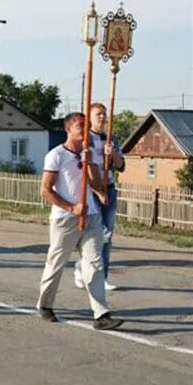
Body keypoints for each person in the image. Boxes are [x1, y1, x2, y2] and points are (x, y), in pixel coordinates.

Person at [36, 112, 123, 331]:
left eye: (86, 126)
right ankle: (45, 304)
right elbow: (45, 190)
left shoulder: (90, 153)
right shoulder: (55, 155)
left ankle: (101, 314)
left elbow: (97, 183)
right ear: (68, 129)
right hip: (65, 219)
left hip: (91, 215)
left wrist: (89, 163)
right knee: (56, 263)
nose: (85, 130)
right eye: (80, 126)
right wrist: (71, 207)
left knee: (94, 263)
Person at [75, 102, 125, 292]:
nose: (102, 117)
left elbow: (121, 166)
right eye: (98, 114)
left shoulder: (111, 138)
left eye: (104, 114)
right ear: (90, 117)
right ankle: (83, 268)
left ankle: (101, 277)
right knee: (92, 233)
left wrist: (112, 156)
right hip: (90, 190)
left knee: (107, 234)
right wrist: (97, 192)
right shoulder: (85, 140)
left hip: (109, 186)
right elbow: (83, 169)